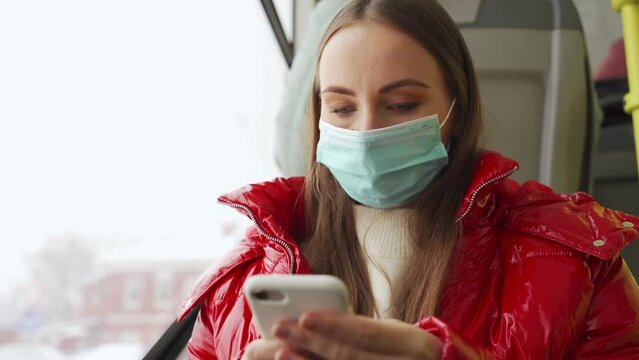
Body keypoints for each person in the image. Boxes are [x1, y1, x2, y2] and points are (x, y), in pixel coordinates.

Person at [177, 0, 639, 358]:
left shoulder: (574, 260)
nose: (366, 131)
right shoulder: (245, 277)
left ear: (457, 111)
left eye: (401, 105)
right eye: (340, 108)